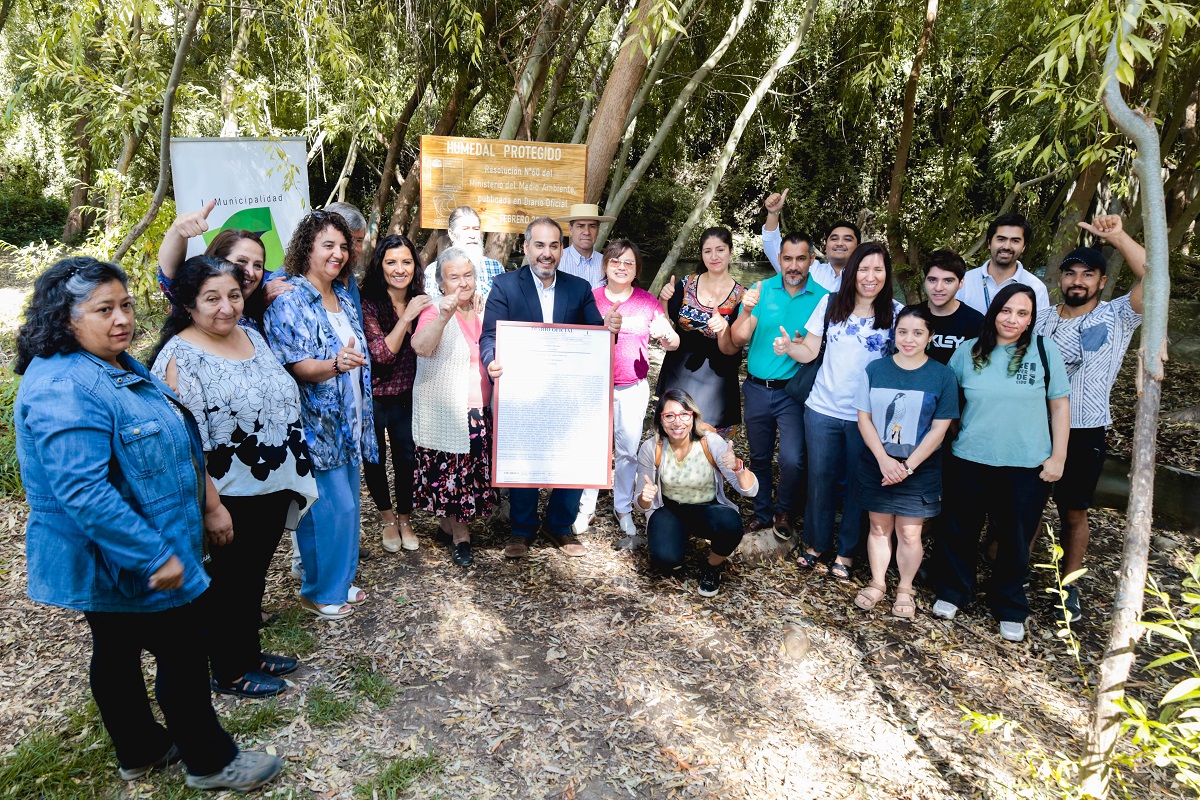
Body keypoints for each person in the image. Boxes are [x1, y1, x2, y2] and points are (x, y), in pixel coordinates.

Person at [14, 257, 282, 791]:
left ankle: (140, 748)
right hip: (123, 556)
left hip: (133, 549)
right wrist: (154, 556)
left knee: (113, 648)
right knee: (183, 651)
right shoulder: (65, 384)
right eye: (104, 309)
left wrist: (206, 504)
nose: (121, 319)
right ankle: (210, 761)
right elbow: (82, 490)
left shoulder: (108, 363)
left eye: (126, 305)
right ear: (65, 317)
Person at [148, 255, 318, 697]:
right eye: (212, 298)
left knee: (251, 576)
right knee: (228, 582)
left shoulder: (252, 335)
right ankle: (229, 670)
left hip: (270, 481)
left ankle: (248, 652)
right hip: (226, 493)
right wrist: (212, 506)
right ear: (187, 304)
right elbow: (183, 444)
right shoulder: (180, 357)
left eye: (234, 295)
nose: (226, 307)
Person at [931, 283, 1070, 642]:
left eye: (1022, 313)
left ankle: (1009, 605)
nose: (1012, 319)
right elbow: (951, 403)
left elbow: (1059, 406)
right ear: (994, 313)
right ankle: (953, 591)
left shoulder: (1043, 350)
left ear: (1030, 319)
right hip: (970, 458)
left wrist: (1058, 456)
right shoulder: (967, 351)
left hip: (1026, 463)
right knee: (959, 530)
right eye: (1006, 310)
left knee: (1015, 538)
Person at [481, 216, 623, 559]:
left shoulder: (578, 288)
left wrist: (610, 329)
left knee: (574, 452)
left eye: (554, 246)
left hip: (568, 392)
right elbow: (489, 336)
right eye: (540, 245)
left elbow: (596, 340)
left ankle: (559, 525)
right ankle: (522, 529)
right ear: (526, 247)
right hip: (521, 389)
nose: (547, 253)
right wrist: (491, 360)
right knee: (523, 451)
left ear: (562, 249)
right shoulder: (505, 286)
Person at [263, 211, 378, 620]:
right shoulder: (289, 298)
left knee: (346, 507)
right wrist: (335, 364)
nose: (338, 253)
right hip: (315, 426)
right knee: (329, 510)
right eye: (328, 245)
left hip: (350, 421)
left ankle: (340, 581)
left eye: (344, 247)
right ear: (306, 248)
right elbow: (295, 364)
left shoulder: (343, 296)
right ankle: (317, 591)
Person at [1034, 215, 1145, 622]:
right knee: (1025, 505)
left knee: (1073, 510)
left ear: (1100, 281)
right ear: (1060, 280)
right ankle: (1014, 574)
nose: (1077, 281)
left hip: (1085, 428)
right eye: (1070, 274)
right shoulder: (1041, 319)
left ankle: (1067, 587)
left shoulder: (1118, 316)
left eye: (1088, 274)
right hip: (1035, 426)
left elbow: (1153, 276)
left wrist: (1117, 236)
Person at [775, 241, 904, 580]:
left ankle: (846, 552)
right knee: (820, 479)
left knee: (859, 486)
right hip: (822, 409)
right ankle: (816, 545)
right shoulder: (831, 304)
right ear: (851, 272)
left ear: (886, 273)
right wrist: (790, 347)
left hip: (867, 418)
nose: (870, 276)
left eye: (878, 269)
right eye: (863, 269)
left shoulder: (896, 313)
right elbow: (810, 352)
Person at [852, 305, 958, 617]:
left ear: (930, 337)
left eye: (917, 333)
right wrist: (884, 461)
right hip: (878, 461)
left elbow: (940, 428)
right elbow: (864, 418)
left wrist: (908, 466)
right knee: (878, 526)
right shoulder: (876, 370)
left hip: (919, 467)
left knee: (910, 533)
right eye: (902, 332)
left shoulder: (942, 375)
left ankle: (905, 588)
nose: (908, 339)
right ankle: (877, 582)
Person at [573, 240, 680, 536]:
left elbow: (672, 340)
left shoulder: (647, 302)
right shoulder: (589, 297)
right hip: (594, 387)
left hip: (632, 387)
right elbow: (576, 340)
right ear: (605, 265)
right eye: (615, 261)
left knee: (628, 451)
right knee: (593, 448)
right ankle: (586, 508)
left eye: (628, 263)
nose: (621, 267)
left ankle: (623, 507)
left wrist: (667, 337)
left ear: (637, 270)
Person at [730, 231, 828, 541]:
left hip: (793, 392)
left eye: (801, 258)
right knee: (759, 456)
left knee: (792, 458)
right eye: (788, 258)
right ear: (780, 260)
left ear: (812, 260)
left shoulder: (824, 297)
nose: (794, 265)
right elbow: (738, 338)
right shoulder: (762, 289)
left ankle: (785, 511)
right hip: (757, 388)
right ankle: (762, 512)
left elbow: (824, 347)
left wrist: (801, 344)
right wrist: (745, 309)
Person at [411, 248, 499, 567]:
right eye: (454, 277)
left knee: (470, 474)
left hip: (481, 409)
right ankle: (461, 539)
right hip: (451, 412)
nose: (463, 282)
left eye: (468, 275)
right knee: (456, 476)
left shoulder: (480, 311)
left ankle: (448, 524)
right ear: (441, 283)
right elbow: (421, 347)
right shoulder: (435, 310)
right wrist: (445, 316)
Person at [634, 389, 758, 596]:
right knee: (665, 562)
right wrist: (644, 498)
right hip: (670, 509)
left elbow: (750, 491)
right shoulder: (651, 448)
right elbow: (640, 505)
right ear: (660, 420)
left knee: (731, 524)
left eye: (684, 415)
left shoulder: (710, 442)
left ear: (693, 417)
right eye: (669, 416)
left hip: (707, 509)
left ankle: (712, 566)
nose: (677, 422)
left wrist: (737, 466)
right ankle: (676, 540)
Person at [360, 234, 434, 553]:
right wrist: (406, 316)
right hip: (374, 397)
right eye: (391, 262)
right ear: (381, 266)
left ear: (414, 265)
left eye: (406, 262)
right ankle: (388, 519)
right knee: (375, 460)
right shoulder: (369, 302)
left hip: (408, 395)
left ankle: (405, 518)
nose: (399, 269)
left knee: (407, 459)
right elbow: (383, 355)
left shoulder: (422, 298)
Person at [655, 227, 747, 435]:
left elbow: (734, 347)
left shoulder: (742, 296)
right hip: (678, 375)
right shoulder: (686, 284)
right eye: (707, 251)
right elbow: (667, 328)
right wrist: (664, 300)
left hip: (717, 386)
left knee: (710, 451)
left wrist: (723, 328)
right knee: (673, 443)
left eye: (720, 250)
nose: (714, 256)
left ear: (731, 252)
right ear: (701, 255)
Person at [156, 200, 269, 330]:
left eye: (258, 265)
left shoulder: (256, 313)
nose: (251, 271)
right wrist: (177, 229)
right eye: (242, 261)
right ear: (218, 261)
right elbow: (169, 275)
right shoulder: (196, 304)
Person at [265, 202, 366, 319]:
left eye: (359, 240)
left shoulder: (348, 277)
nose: (353, 248)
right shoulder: (290, 278)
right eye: (329, 245)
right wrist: (263, 295)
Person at [761, 189, 859, 292]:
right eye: (834, 238)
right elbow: (772, 246)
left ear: (858, 246)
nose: (839, 243)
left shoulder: (867, 279)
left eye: (847, 239)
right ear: (826, 245)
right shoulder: (808, 269)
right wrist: (773, 213)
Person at [956, 212, 1050, 316]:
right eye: (1001, 239)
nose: (1007, 246)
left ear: (1024, 247)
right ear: (989, 243)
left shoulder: (1036, 287)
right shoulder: (965, 282)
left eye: (1015, 241)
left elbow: (1038, 330)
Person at [422, 205, 507, 301]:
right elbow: (433, 309)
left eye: (475, 229)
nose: (472, 235)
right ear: (451, 234)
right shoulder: (433, 271)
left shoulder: (495, 267)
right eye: (465, 229)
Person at [919, 249, 984, 364]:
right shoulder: (910, 315)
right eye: (932, 280)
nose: (939, 287)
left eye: (948, 281)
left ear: (961, 283)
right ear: (925, 281)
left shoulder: (976, 322)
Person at [556, 203, 616, 289]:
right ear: (570, 229)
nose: (587, 232)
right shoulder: (557, 262)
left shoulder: (606, 264)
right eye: (580, 226)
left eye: (592, 226)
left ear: (598, 230)